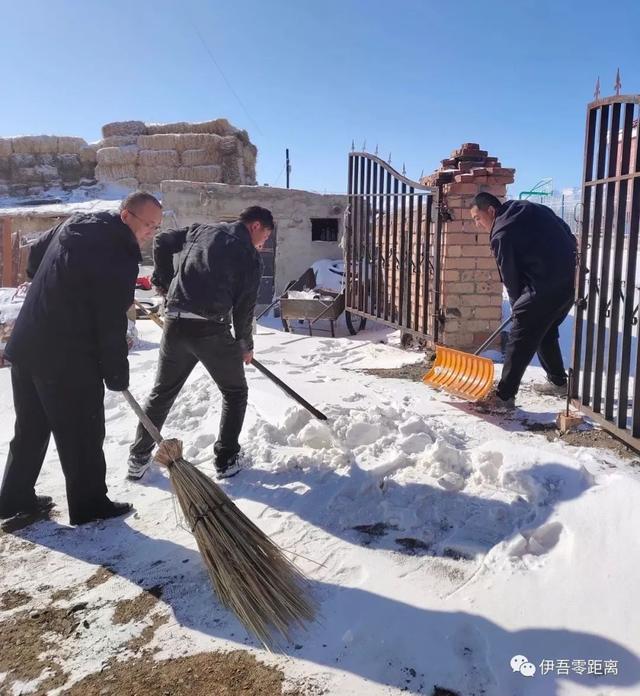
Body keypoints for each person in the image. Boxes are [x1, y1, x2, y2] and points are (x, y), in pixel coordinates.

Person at [0, 191, 163, 525]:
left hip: (28, 343)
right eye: (148, 224)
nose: (151, 232)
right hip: (66, 357)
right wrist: (116, 371)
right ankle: (89, 505)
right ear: (126, 216)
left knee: (30, 427)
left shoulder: (74, 223)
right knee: (83, 431)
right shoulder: (119, 252)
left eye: (156, 227)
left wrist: (60, 288)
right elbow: (111, 319)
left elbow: (33, 262)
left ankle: (14, 499)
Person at [127, 205, 273, 480]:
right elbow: (244, 307)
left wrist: (164, 280)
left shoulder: (202, 230)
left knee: (163, 392)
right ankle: (226, 459)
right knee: (235, 392)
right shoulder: (249, 256)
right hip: (210, 330)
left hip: (175, 324)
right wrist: (245, 344)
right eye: (265, 237)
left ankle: (138, 458)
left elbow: (161, 240)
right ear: (255, 226)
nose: (263, 244)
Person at [470, 193, 577, 410]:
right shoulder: (530, 208)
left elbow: (509, 276)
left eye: (477, 218)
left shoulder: (500, 232)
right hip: (567, 286)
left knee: (520, 336)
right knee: (544, 331)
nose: (478, 224)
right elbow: (566, 230)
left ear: (490, 210)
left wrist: (518, 306)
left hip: (541, 288)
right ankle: (558, 383)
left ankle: (504, 397)